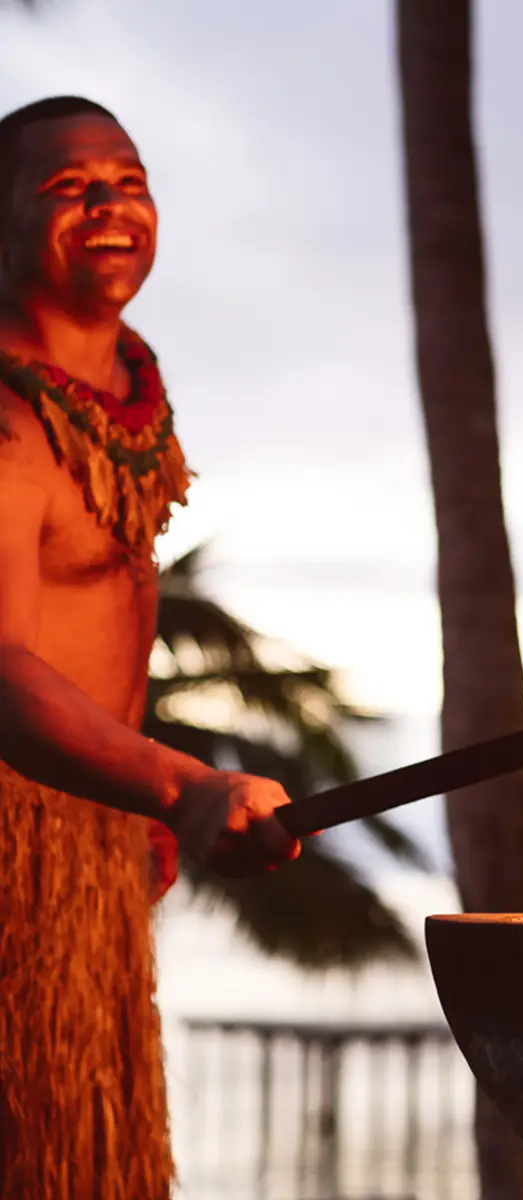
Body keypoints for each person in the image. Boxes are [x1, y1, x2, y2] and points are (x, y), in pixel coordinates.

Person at [0, 95, 302, 1198]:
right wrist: (179, 786)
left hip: (93, 831)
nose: (109, 206)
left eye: (128, 181)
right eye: (68, 187)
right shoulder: (7, 419)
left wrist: (131, 799)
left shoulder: (125, 385)